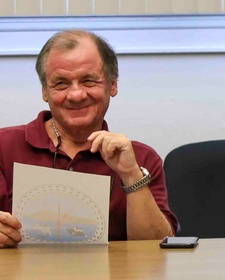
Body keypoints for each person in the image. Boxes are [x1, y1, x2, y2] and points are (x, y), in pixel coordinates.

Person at [0, 30, 177, 247]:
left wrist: (131, 176)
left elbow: (157, 251)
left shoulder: (141, 158)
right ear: (45, 91)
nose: (76, 95)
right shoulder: (3, 148)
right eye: (61, 84)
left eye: (88, 81)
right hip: (21, 279)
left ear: (112, 85)